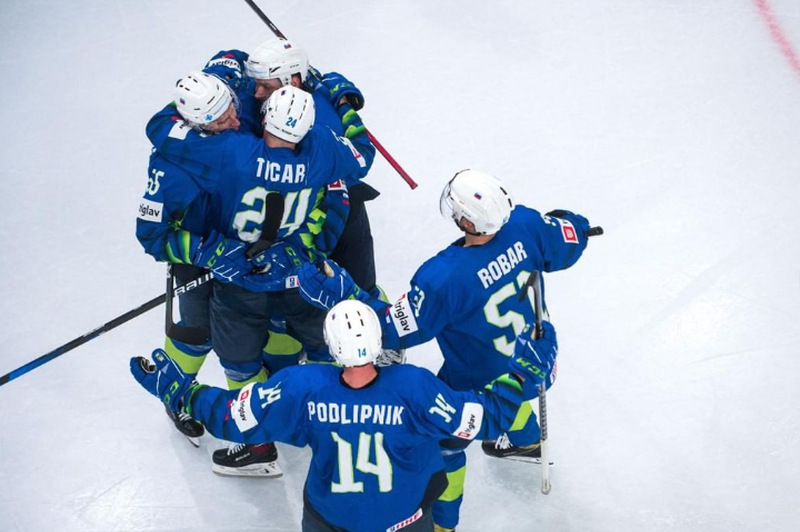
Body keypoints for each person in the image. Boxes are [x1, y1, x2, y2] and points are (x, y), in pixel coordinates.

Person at [297, 169, 595, 531]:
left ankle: (443, 525)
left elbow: (392, 331)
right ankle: (527, 441)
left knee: (444, 445)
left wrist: (345, 294)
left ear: (466, 220)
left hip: (477, 383)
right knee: (510, 391)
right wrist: (575, 224)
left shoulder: (443, 278)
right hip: (537, 362)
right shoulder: (527, 224)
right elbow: (569, 238)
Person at [130, 300, 559, 532]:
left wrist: (179, 390)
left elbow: (230, 417)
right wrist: (526, 375)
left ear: (331, 347)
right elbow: (484, 419)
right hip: (404, 519)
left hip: (330, 521)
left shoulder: (303, 388)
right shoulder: (415, 387)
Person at [146, 75, 375, 476]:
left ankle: (257, 438)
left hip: (238, 278)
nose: (236, 119)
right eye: (221, 117)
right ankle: (322, 426)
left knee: (241, 357)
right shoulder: (321, 148)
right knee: (308, 348)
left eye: (235, 109)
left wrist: (217, 251)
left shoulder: (230, 151)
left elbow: (162, 132)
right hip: (276, 273)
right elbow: (359, 159)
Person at [206, 38, 382, 297]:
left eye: (265, 85)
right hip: (277, 205)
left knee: (349, 228)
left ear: (294, 83)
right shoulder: (260, 97)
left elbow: (358, 162)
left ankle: (361, 299)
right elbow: (232, 56)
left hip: (323, 201)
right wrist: (224, 70)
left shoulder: (322, 125)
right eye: (257, 83)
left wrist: (342, 103)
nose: (256, 92)